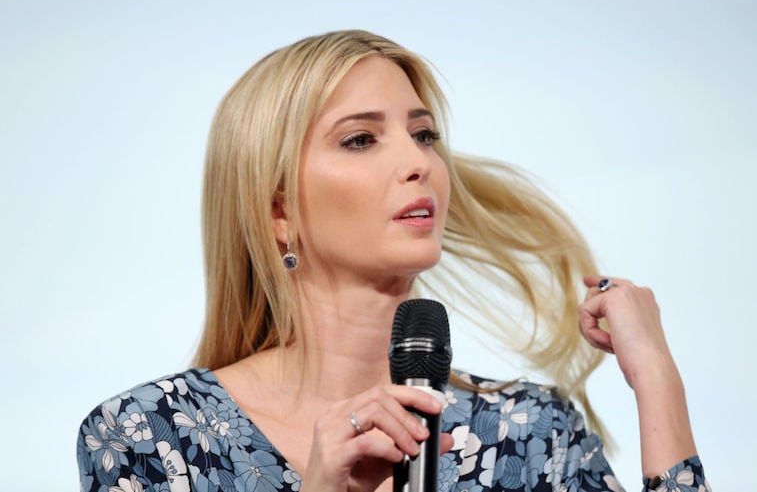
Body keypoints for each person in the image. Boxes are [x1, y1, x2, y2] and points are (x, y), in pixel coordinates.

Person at [76, 30, 709, 492]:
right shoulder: (149, 436)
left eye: (423, 134)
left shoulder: (532, 434)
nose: (418, 162)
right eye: (360, 139)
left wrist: (657, 378)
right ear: (278, 211)